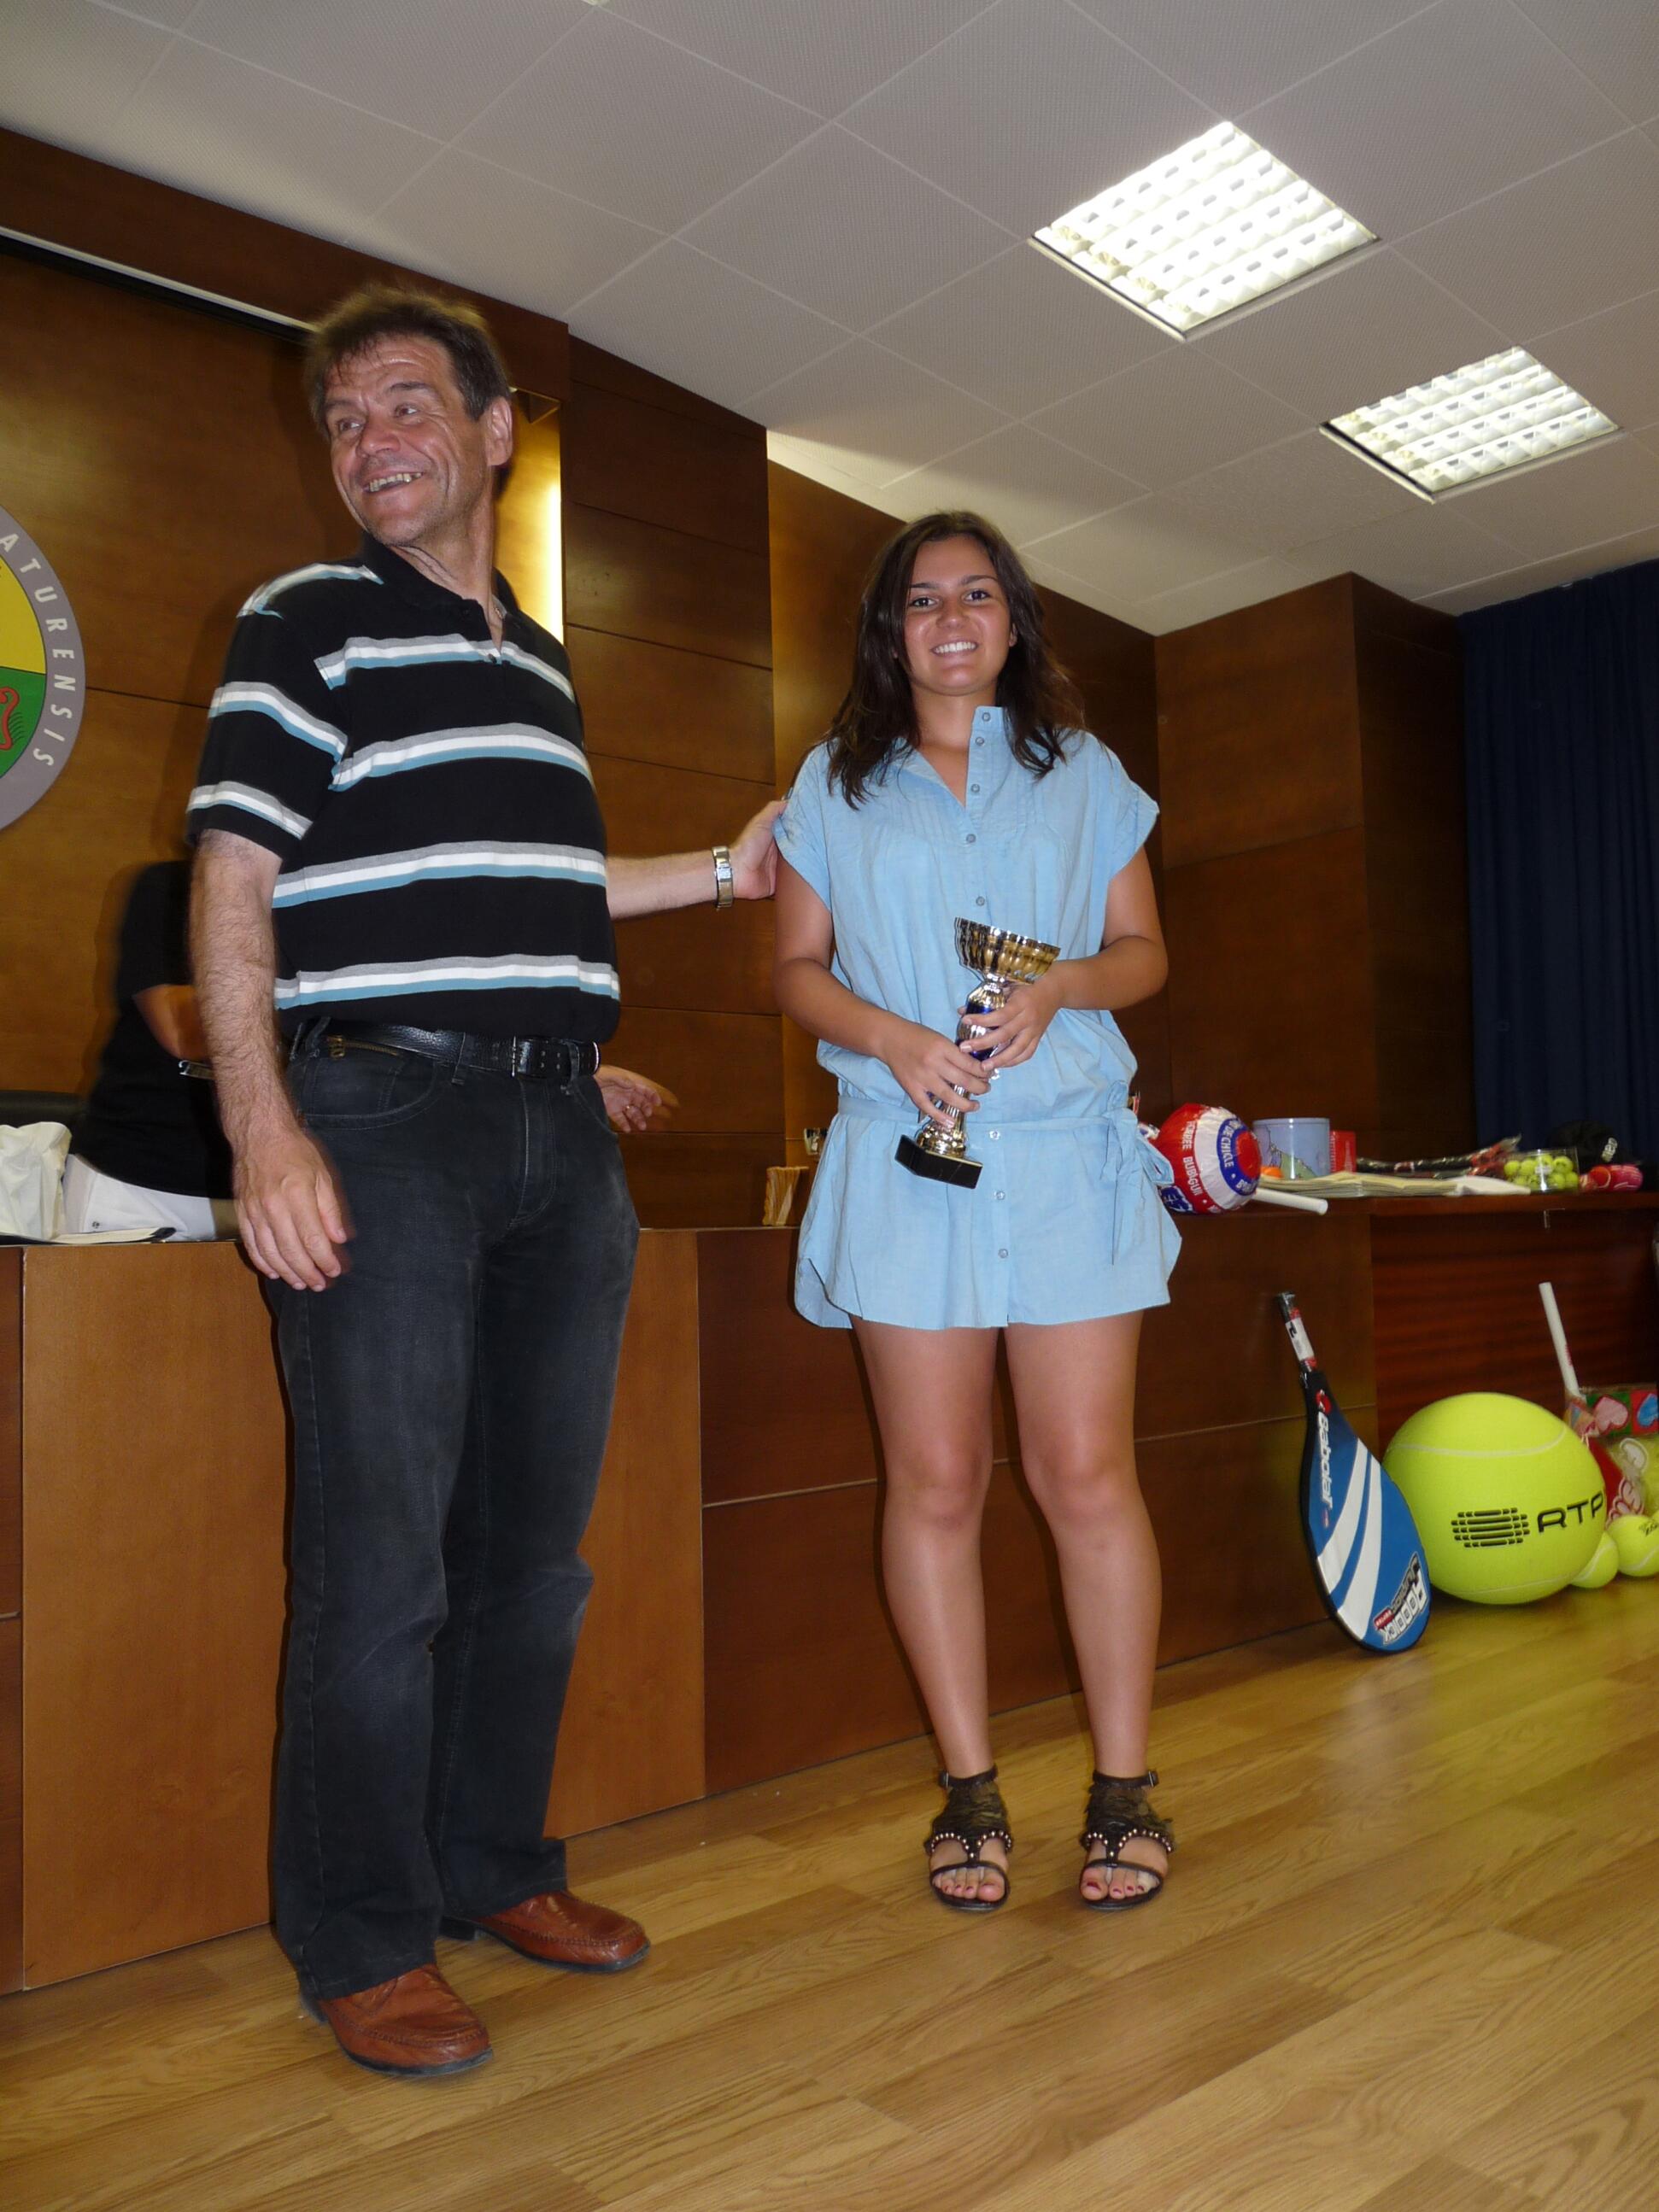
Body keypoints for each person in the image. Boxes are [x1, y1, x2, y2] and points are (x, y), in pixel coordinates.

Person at [187, 284, 778, 2077]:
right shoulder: (304, 619)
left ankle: (492, 1865)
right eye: (344, 419)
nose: (369, 441)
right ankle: (362, 1937)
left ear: (495, 427)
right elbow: (234, 877)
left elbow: (547, 886)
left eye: (403, 405)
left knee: (529, 1561)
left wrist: (722, 875)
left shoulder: (540, 664)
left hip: (556, 1137)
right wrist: (264, 1128)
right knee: (379, 1569)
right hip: (380, 1122)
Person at [772, 512, 1179, 1914]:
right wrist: (891, 1036)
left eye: (978, 595)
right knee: (935, 1483)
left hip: (1066, 1162)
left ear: (1014, 621)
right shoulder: (833, 781)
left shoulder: (1084, 773)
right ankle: (968, 1792)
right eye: (922, 599)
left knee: (1086, 1476)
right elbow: (795, 969)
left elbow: (1143, 952)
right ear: (889, 630)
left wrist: (1059, 986)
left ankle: (1123, 1791)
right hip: (907, 1161)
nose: (951, 619)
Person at [64, 857, 237, 1239]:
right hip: (141, 1186)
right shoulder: (173, 886)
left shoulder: (318, 905)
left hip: (270, 1186)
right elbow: (183, 1032)